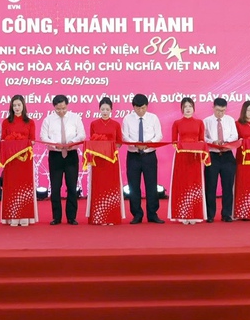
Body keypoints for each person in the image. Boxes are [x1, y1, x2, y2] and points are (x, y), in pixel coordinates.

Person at [41, 94, 86, 225]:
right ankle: (56, 217)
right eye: (58, 109)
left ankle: (71, 217)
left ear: (67, 105)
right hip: (55, 155)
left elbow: (82, 134)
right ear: (54, 107)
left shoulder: (75, 118)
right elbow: (43, 136)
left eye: (63, 108)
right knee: (55, 187)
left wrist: (73, 141)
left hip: (71, 154)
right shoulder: (48, 120)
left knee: (72, 186)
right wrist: (55, 144)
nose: (61, 111)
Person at [122, 93, 165, 224]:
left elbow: (159, 135)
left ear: (147, 106)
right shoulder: (127, 119)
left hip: (149, 155)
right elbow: (124, 136)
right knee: (134, 186)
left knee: (151, 185)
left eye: (143, 108)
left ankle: (152, 214)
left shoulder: (153, 118)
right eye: (138, 108)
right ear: (133, 107)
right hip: (133, 156)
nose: (141, 111)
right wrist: (136, 144)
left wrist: (149, 143)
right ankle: (137, 214)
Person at [85, 97, 124, 225]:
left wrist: (109, 147)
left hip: (112, 160)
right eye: (103, 109)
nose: (105, 112)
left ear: (111, 110)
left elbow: (119, 142)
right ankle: (99, 217)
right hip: (98, 161)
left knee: (112, 186)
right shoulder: (94, 124)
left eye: (107, 109)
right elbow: (92, 141)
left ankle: (112, 217)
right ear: (99, 110)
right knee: (99, 186)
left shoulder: (116, 124)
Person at [0, 95, 37, 226]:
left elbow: (32, 140)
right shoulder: (6, 122)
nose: (16, 108)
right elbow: (3, 140)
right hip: (11, 160)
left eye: (19, 105)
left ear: (23, 106)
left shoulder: (30, 122)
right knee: (11, 185)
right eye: (14, 105)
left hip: (25, 159)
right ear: (11, 107)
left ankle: (25, 216)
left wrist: (22, 144)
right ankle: (12, 216)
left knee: (24, 185)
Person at [168, 97, 206, 224]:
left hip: (195, 156)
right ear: (182, 109)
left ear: (194, 108)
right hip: (181, 156)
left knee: (195, 182)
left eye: (190, 106)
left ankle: (195, 214)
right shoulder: (177, 123)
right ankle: (183, 214)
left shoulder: (199, 123)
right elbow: (174, 141)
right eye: (185, 107)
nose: (188, 109)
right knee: (182, 182)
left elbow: (202, 140)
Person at [203, 97, 238, 222]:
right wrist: (213, 141)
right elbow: (203, 137)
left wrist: (226, 141)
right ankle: (210, 215)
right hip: (212, 156)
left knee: (228, 186)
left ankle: (226, 214)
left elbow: (235, 135)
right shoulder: (206, 121)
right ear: (213, 108)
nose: (220, 113)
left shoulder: (230, 120)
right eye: (218, 110)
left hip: (227, 155)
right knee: (210, 186)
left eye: (223, 111)